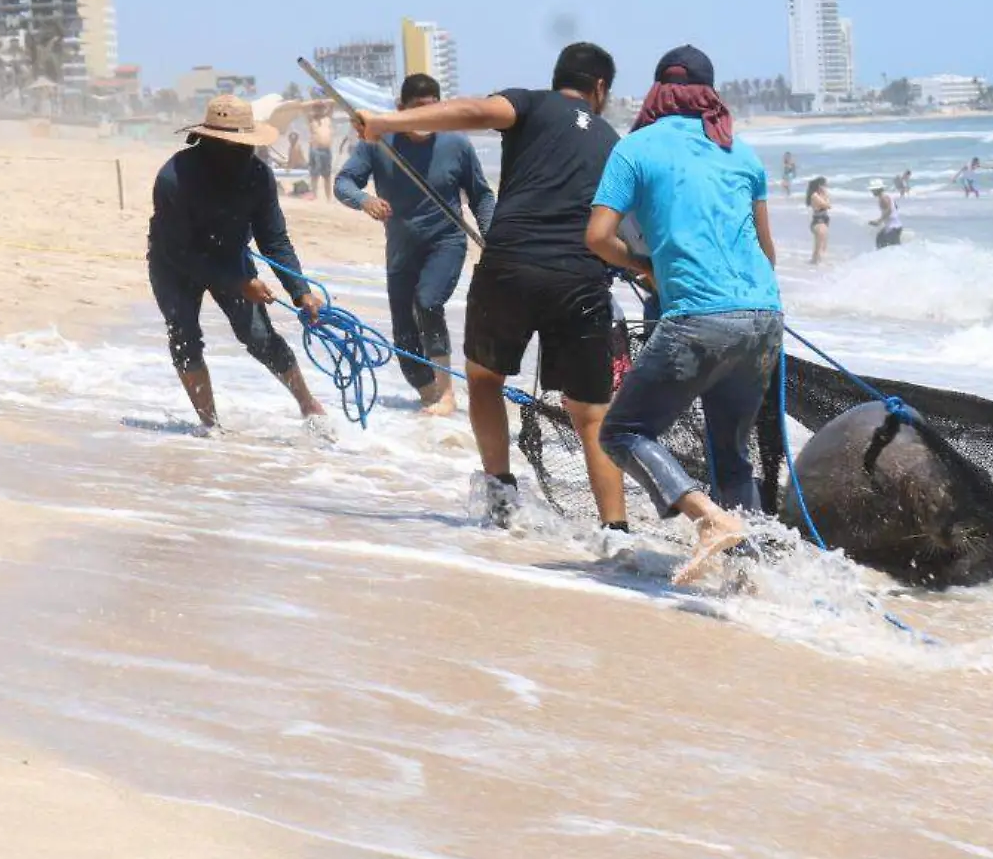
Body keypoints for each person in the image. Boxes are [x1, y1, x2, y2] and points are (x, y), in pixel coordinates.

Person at [353, 42, 629, 534]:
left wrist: (385, 123)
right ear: (600, 88)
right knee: (591, 413)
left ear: (558, 76)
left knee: (484, 379)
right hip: (579, 276)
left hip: (512, 266)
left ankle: (501, 497)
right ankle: (616, 531)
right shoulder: (611, 138)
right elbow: (622, 228)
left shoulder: (530, 103)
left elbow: (475, 111)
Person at [586, 45, 782, 585]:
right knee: (732, 456)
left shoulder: (635, 149)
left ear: (656, 92)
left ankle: (707, 521)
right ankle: (754, 582)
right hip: (764, 317)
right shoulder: (741, 152)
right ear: (709, 94)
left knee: (622, 431)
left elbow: (598, 237)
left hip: (697, 319)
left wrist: (644, 266)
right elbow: (769, 252)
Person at [146, 95, 330, 434]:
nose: (243, 153)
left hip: (231, 254)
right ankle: (210, 424)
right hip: (173, 262)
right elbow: (179, 252)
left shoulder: (258, 176)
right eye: (234, 146)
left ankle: (308, 405)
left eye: (247, 145)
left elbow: (274, 240)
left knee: (259, 335)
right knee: (184, 336)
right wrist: (237, 282)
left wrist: (300, 292)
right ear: (210, 141)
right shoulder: (175, 177)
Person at [334, 73, 496, 415]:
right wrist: (364, 200)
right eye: (419, 109)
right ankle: (431, 399)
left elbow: (481, 195)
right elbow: (344, 182)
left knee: (428, 301)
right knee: (404, 341)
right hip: (401, 251)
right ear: (400, 109)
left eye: (434, 108)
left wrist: (493, 237)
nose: (427, 116)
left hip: (446, 241)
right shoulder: (378, 141)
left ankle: (448, 395)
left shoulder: (457, 146)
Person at [306, 101, 334, 200]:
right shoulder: (311, 119)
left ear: (324, 108)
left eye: (321, 108)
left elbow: (333, 102)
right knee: (314, 175)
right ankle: (314, 196)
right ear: (313, 109)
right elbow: (303, 106)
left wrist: (322, 102)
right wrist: (315, 102)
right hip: (315, 149)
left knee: (327, 176)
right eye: (317, 108)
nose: (319, 109)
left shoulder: (328, 118)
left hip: (326, 150)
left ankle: (329, 198)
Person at [870, 178, 904, 248]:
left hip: (893, 227)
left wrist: (878, 221)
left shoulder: (883, 198)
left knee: (890, 246)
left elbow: (889, 210)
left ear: (878, 190)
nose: (872, 191)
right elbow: (895, 207)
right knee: (880, 239)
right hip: (894, 226)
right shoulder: (887, 196)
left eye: (873, 190)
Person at [806, 176, 832, 264]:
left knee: (822, 243)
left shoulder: (821, 195)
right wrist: (826, 196)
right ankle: (816, 262)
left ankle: (815, 262)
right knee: (819, 244)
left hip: (824, 220)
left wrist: (826, 196)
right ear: (819, 185)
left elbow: (828, 204)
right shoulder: (815, 196)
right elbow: (827, 205)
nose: (825, 187)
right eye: (824, 185)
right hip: (818, 221)